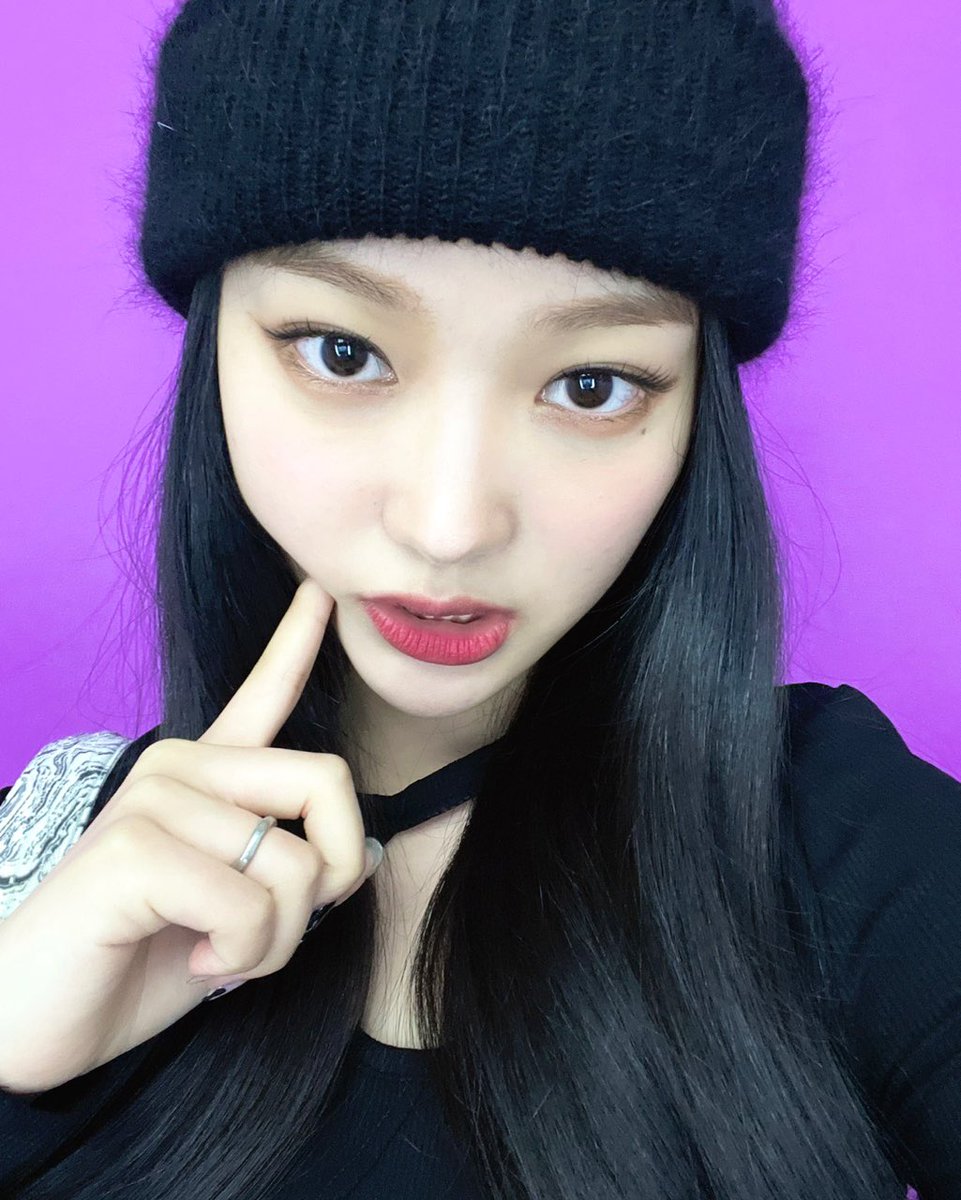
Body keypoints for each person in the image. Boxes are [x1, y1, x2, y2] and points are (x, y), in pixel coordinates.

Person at [0, 0, 957, 1197]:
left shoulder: (838, 839)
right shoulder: (57, 857)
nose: (449, 526)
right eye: (343, 353)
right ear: (216, 354)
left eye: (593, 384)